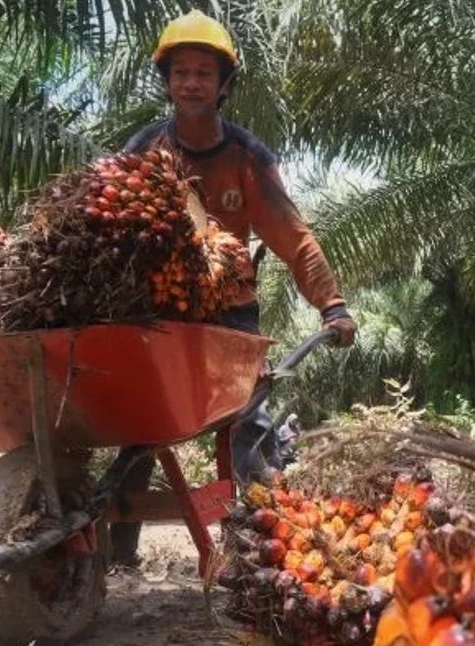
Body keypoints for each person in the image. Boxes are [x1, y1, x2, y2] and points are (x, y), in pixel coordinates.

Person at [110, 9, 357, 567]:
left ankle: (254, 545)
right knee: (138, 421)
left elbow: (294, 238)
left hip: (229, 313)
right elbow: (112, 228)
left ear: (223, 86)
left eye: (203, 72)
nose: (191, 82)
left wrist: (332, 304)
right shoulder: (145, 149)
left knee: (249, 417)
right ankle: (116, 553)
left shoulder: (246, 157)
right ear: (167, 82)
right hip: (161, 310)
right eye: (180, 72)